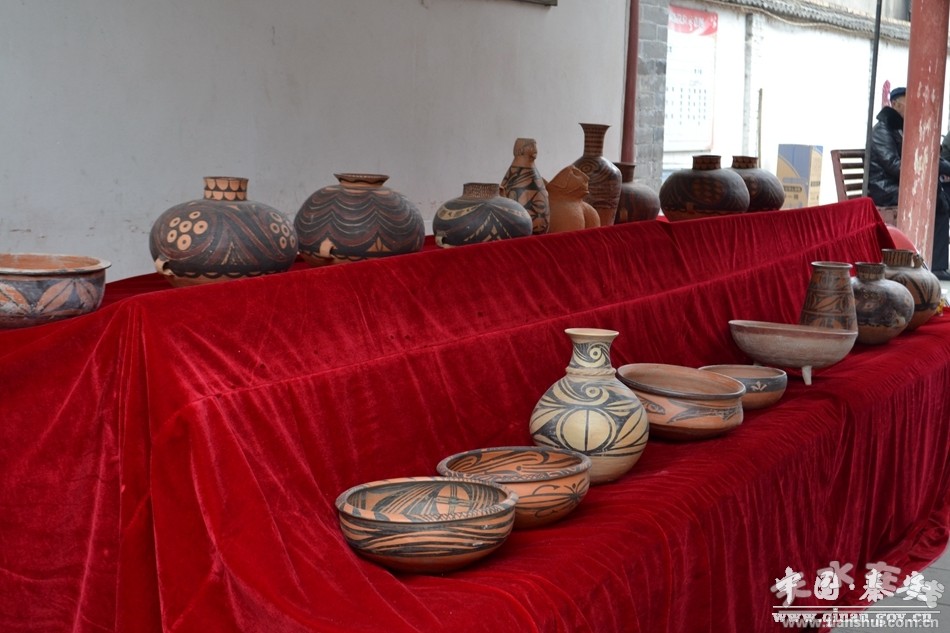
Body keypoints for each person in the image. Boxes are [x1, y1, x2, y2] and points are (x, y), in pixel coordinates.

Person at [868, 86, 950, 279]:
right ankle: (931, 264)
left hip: (897, 184)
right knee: (933, 199)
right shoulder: (882, 130)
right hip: (884, 188)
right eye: (909, 102)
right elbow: (892, 164)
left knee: (940, 199)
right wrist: (923, 174)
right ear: (895, 104)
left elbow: (930, 157)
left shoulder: (902, 128)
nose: (914, 107)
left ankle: (937, 265)